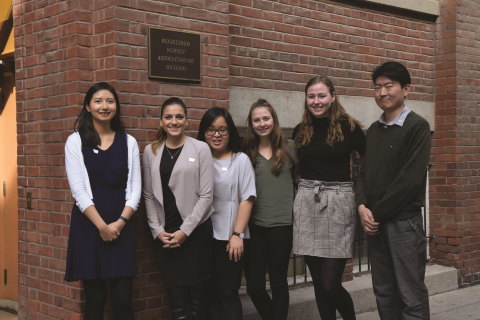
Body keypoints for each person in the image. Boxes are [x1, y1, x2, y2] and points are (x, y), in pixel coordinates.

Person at [355, 61, 431, 320]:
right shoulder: (374, 130)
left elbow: (409, 182)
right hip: (375, 223)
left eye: (389, 86)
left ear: (406, 89)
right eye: (377, 87)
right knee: (384, 292)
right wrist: (362, 207)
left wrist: (375, 213)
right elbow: (362, 174)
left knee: (411, 296)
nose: (382, 93)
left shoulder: (418, 127)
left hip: (403, 224)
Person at [64, 82, 141, 320]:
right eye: (98, 101)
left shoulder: (128, 142)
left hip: (121, 226)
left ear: (116, 106)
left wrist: (119, 223)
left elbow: (136, 188)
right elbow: (78, 191)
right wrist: (102, 226)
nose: (104, 106)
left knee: (123, 301)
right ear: (88, 106)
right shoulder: (76, 141)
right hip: (89, 225)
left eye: (110, 101)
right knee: (95, 301)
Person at [292, 76, 366, 320]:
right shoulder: (300, 130)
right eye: (311, 96)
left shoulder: (351, 129)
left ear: (333, 96)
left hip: (338, 201)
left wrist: (365, 200)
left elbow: (368, 167)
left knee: (329, 284)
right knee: (318, 284)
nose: (316, 101)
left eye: (321, 95)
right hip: (307, 200)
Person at [143, 97, 214, 320]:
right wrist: (157, 230)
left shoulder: (201, 148)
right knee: (177, 300)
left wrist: (184, 232)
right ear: (161, 121)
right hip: (166, 233)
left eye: (179, 117)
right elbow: (148, 194)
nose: (174, 121)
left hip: (195, 232)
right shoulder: (150, 151)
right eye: (169, 117)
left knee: (197, 297)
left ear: (186, 120)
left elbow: (206, 196)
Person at [197, 107, 256, 320]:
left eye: (223, 130)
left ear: (230, 132)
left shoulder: (241, 160)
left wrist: (237, 235)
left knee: (227, 291)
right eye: (211, 130)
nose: (217, 135)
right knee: (209, 292)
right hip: (202, 235)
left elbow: (247, 198)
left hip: (232, 237)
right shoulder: (198, 159)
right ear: (203, 132)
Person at [242, 99, 299, 320]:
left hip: (282, 224)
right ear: (251, 124)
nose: (262, 123)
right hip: (254, 225)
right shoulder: (245, 152)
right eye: (256, 120)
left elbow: (299, 181)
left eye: (266, 118)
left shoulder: (290, 148)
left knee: (278, 282)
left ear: (273, 119)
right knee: (254, 287)